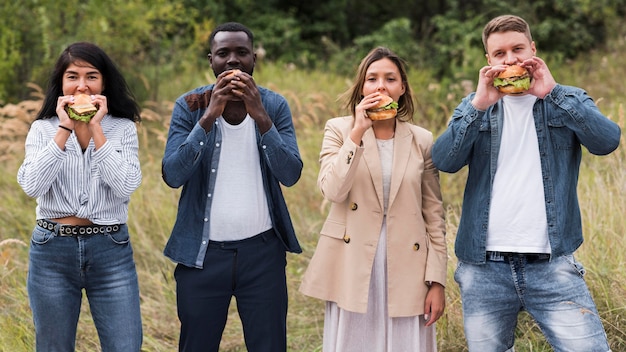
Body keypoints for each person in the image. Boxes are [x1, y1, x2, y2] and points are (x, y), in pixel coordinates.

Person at [431, 14, 621, 352]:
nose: (510, 59)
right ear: (489, 61)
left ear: (532, 50)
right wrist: (479, 105)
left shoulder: (565, 100)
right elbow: (445, 161)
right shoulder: (473, 107)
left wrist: (553, 93)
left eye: (517, 49)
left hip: (553, 265)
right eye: (500, 53)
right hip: (483, 268)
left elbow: (607, 141)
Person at [161, 22, 303, 352]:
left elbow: (291, 174)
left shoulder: (275, 105)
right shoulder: (190, 105)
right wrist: (209, 115)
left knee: (269, 345)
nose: (233, 61)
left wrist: (260, 115)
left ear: (254, 59)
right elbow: (172, 175)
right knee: (197, 344)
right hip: (202, 255)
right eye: (223, 53)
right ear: (211, 60)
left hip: (263, 254)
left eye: (242, 53)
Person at [299, 46, 448, 351]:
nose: (381, 85)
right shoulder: (339, 130)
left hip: (408, 263)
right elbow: (333, 191)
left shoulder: (422, 139)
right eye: (372, 79)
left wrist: (437, 280)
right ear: (362, 87)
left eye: (390, 79)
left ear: (402, 88)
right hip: (351, 261)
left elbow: (434, 214)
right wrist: (357, 133)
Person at [17, 42, 143, 351]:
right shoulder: (42, 129)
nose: (82, 85)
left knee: (125, 345)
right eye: (72, 76)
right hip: (52, 250)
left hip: (110, 248)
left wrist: (97, 130)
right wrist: (64, 128)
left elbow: (126, 184)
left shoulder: (122, 128)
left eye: (92, 76)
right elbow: (32, 185)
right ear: (61, 83)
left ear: (104, 83)